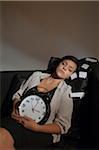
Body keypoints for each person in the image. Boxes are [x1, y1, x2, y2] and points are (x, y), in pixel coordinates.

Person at [0, 55, 78, 150]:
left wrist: (36, 127)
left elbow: (62, 126)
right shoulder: (36, 75)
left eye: (70, 69)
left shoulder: (66, 91)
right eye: (63, 64)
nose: (65, 68)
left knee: (3, 137)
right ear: (58, 64)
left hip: (42, 130)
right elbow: (18, 95)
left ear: (70, 75)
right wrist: (15, 107)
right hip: (18, 119)